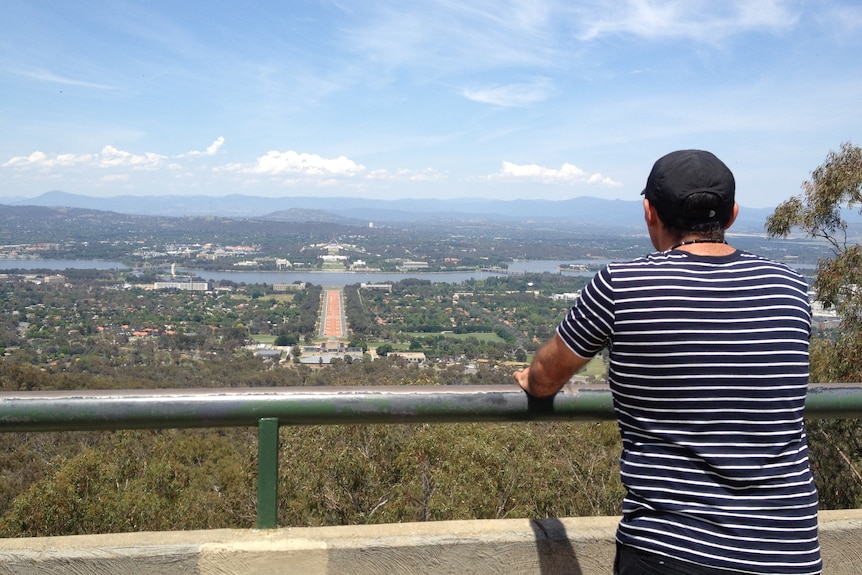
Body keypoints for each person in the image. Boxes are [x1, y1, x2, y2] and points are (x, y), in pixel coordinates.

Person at [514, 150, 822, 575]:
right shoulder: (790, 287)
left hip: (670, 551)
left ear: (649, 213)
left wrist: (530, 378)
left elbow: (545, 379)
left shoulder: (621, 286)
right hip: (786, 552)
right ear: (732, 215)